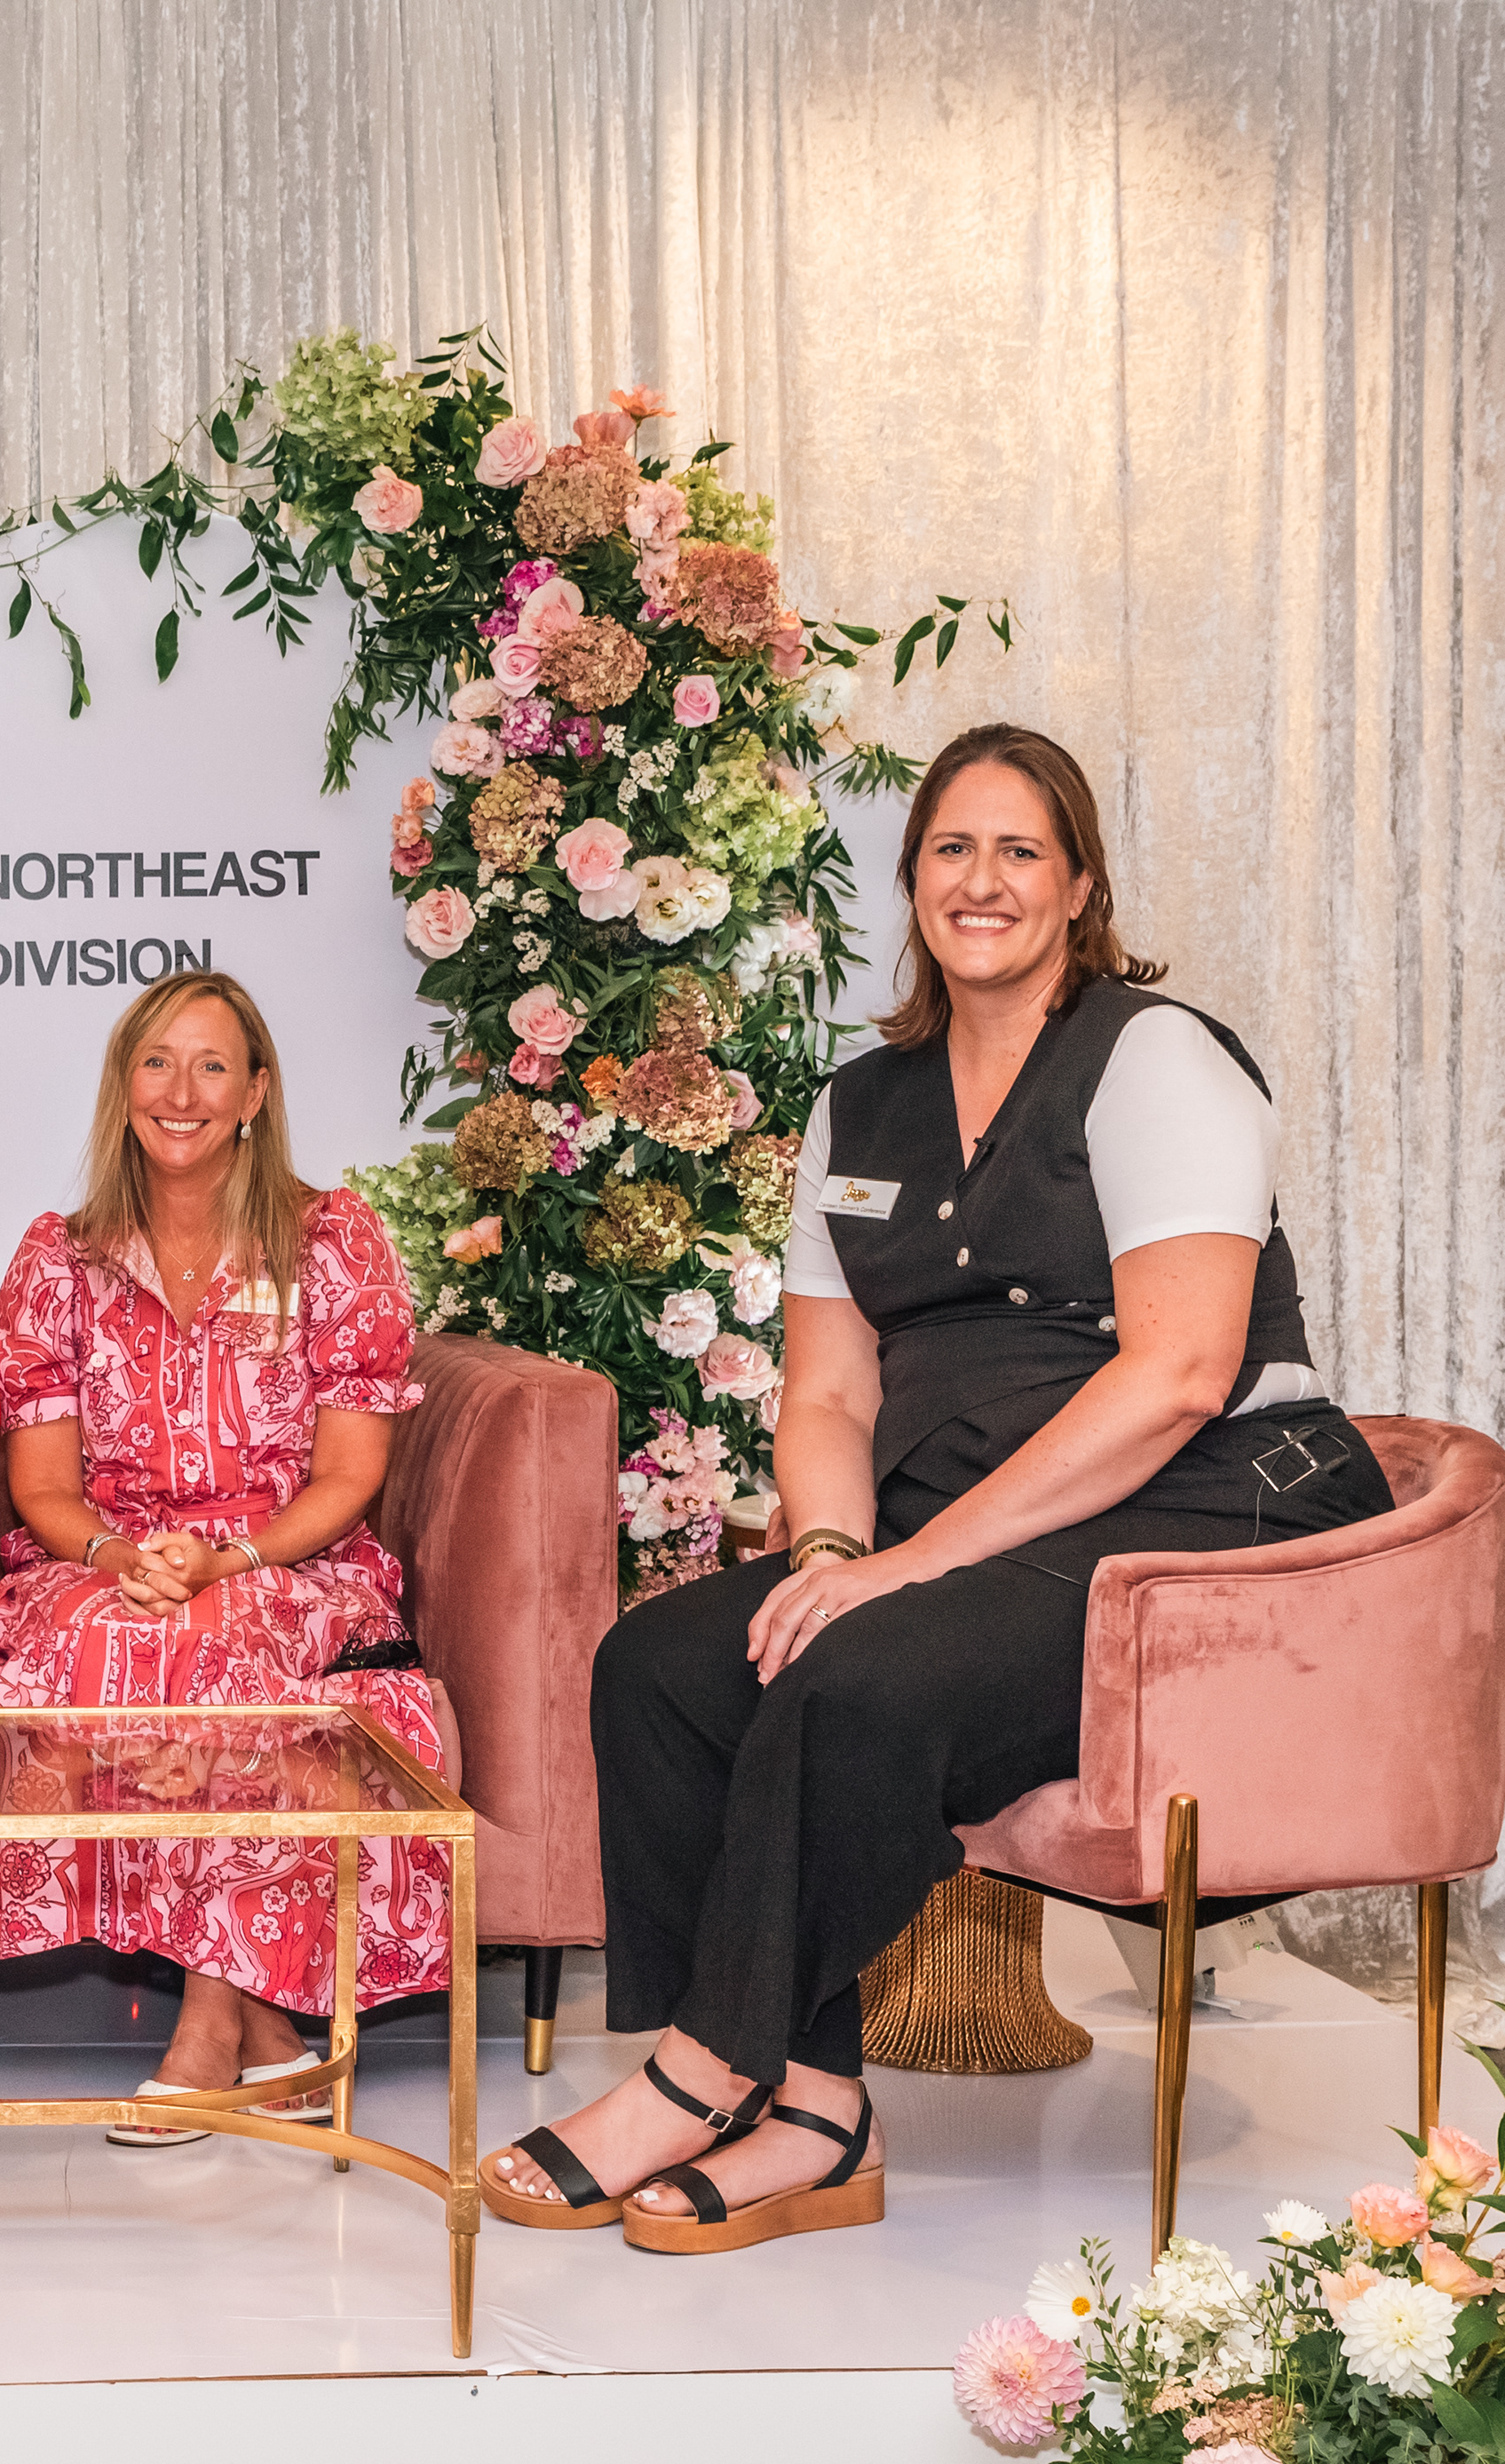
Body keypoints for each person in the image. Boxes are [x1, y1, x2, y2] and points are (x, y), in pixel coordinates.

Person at [484, 724, 1397, 2254]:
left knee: (860, 1670)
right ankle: (823, 2115)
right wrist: (832, 1545)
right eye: (953, 849)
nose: (984, 880)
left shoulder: (1154, 1054)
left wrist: (903, 1571)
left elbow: (1175, 1373)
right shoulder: (861, 1105)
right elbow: (832, 1389)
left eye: (1021, 850)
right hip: (974, 1521)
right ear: (912, 882)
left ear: (1081, 884)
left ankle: (707, 2073)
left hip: (1212, 1504)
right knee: (665, 1665)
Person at [0, 971, 451, 2145]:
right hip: (99, 1559)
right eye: (158, 1063)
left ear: (256, 1094)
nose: (183, 1091)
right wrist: (125, 1555)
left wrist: (228, 1560)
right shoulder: (58, 1259)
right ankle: (271, 2032)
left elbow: (346, 1476)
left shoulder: (334, 1239)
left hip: (288, 1558)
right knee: (123, 1633)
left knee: (217, 1641)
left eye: (213, 1065)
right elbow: (40, 1490)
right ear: (125, 1088)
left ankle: (208, 2023)